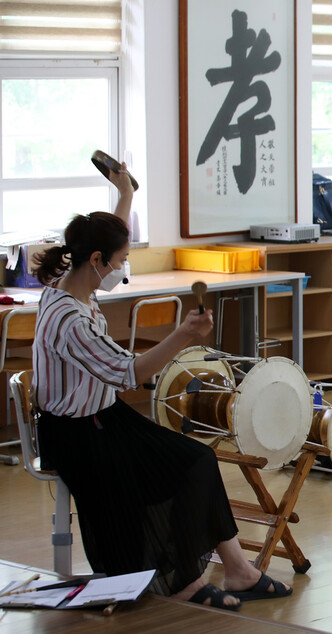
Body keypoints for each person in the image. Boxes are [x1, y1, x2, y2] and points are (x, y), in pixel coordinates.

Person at [32, 164, 291, 610]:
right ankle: (185, 581)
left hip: (102, 418)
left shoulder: (67, 286)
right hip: (75, 434)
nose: (122, 268)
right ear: (96, 260)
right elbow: (127, 372)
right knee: (183, 465)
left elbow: (106, 237)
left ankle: (238, 569)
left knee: (198, 457)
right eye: (119, 261)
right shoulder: (70, 319)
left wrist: (126, 194)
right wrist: (185, 335)